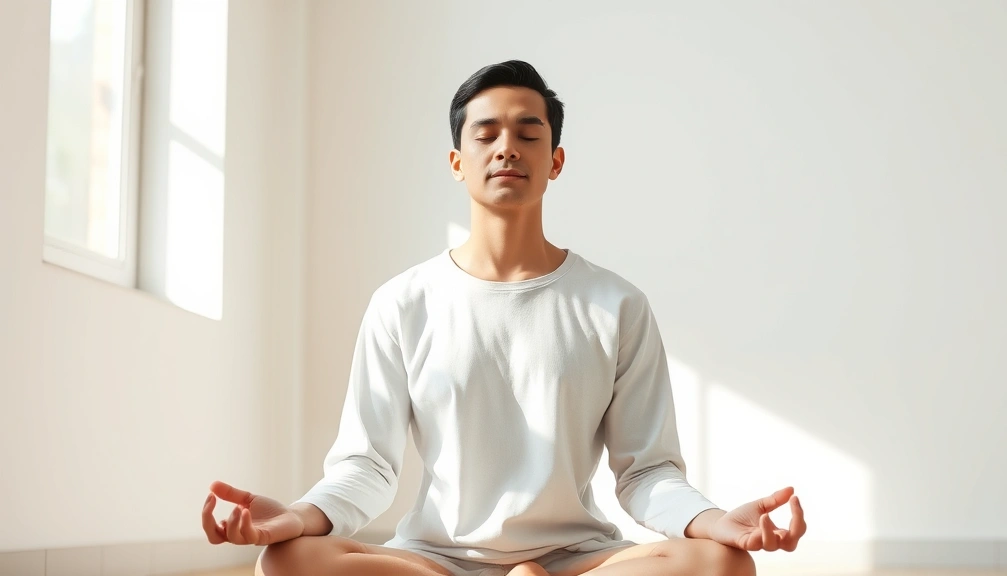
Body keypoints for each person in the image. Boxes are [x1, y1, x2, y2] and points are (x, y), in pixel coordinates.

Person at [201, 60, 806, 576]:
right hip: (437, 559)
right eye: (485, 134)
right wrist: (299, 515)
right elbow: (367, 465)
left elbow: (646, 471)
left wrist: (713, 521)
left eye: (528, 132)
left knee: (725, 564)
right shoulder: (403, 302)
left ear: (557, 160)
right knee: (286, 562)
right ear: (457, 161)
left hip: (576, 558)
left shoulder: (616, 304)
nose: (507, 147)